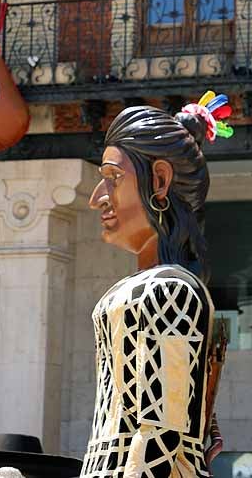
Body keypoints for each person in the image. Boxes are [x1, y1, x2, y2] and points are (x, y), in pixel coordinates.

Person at [82, 93, 232, 478]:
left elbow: (161, 438)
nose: (97, 198)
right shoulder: (153, 288)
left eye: (112, 178)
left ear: (160, 181)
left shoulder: (171, 291)